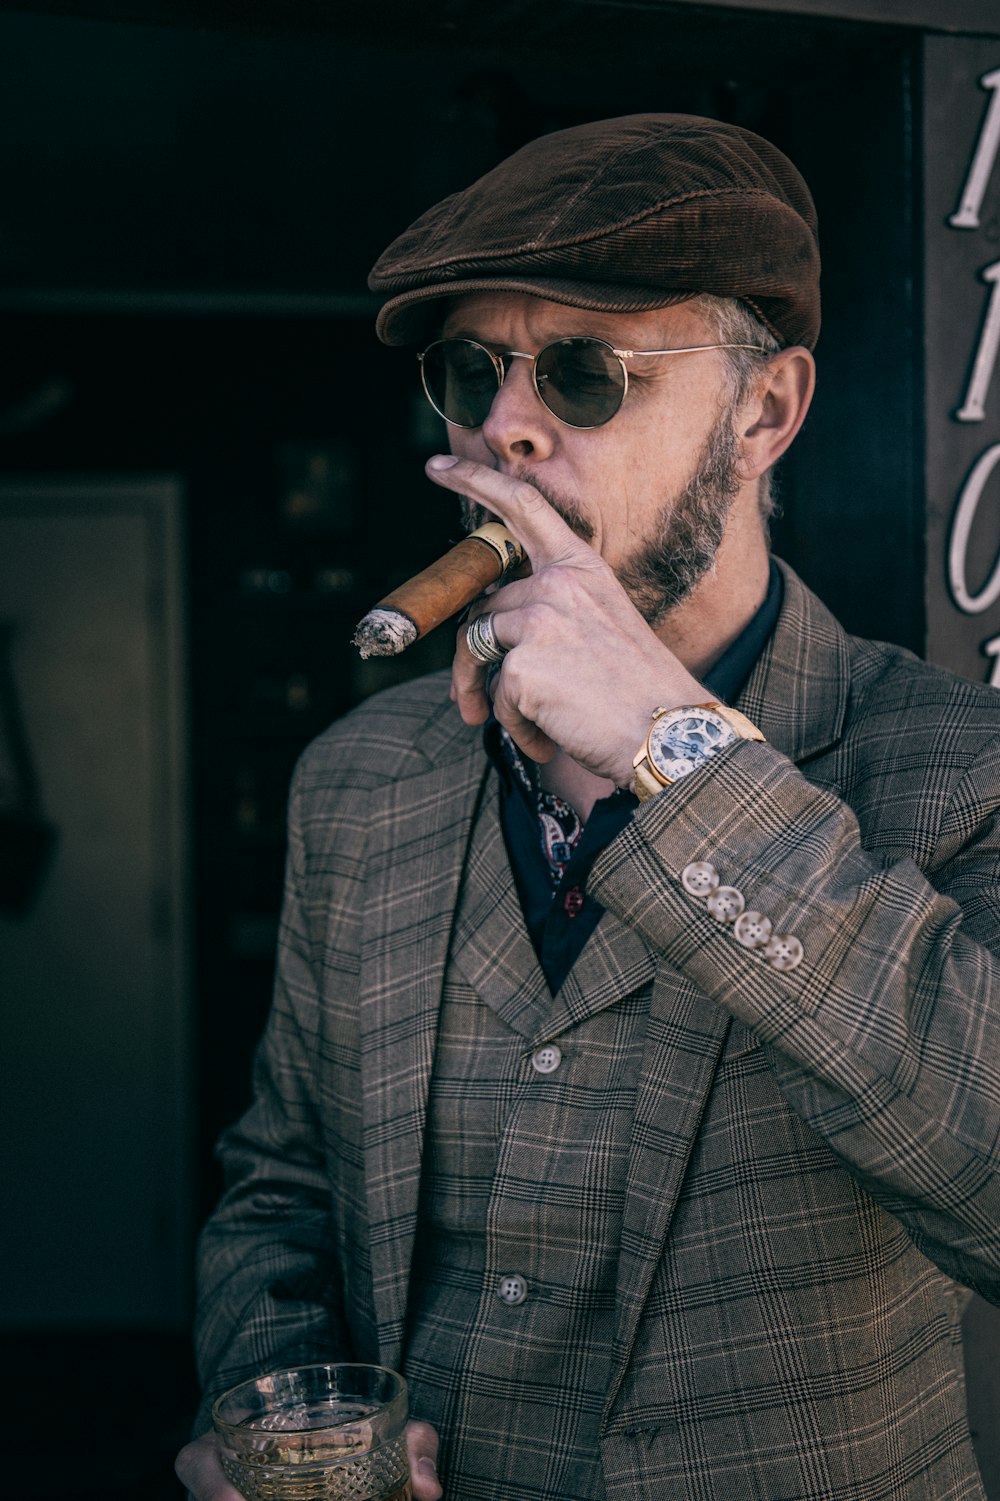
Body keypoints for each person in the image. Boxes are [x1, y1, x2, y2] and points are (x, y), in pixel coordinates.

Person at [176, 114, 1000, 1501]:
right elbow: (281, 1190)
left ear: (764, 413)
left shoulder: (961, 765)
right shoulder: (361, 781)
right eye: (470, 372)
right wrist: (277, 1408)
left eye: (583, 370)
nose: (506, 422)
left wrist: (673, 748)